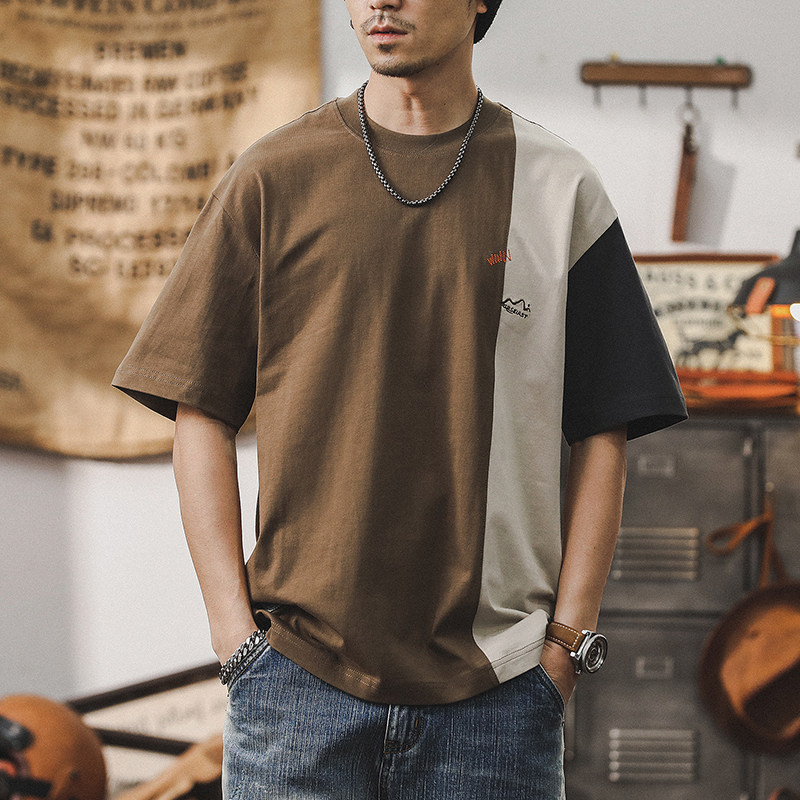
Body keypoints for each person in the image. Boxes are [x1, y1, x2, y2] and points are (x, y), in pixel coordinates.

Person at [113, 0, 687, 797]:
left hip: (499, 694)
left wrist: (565, 646)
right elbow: (198, 408)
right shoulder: (273, 177)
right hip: (295, 688)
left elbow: (605, 429)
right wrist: (234, 637)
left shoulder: (558, 187)